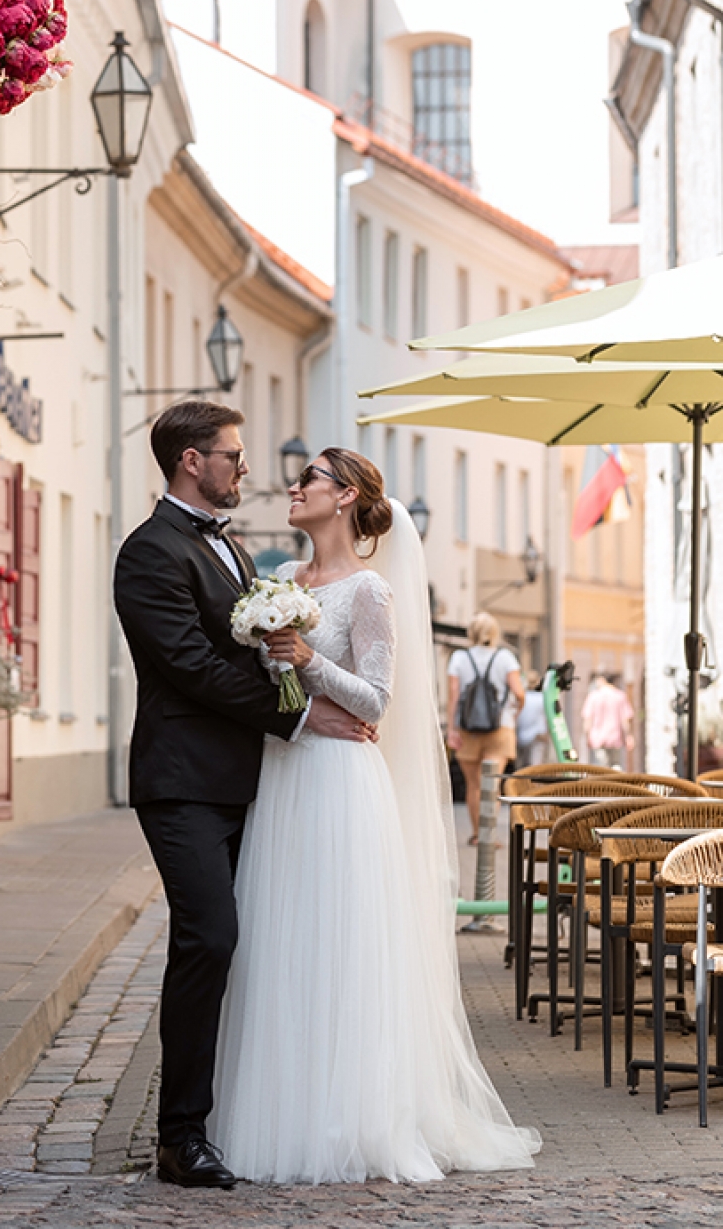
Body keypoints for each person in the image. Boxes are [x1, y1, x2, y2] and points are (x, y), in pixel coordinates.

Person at [211, 450, 540, 1183]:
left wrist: (306, 661)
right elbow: (273, 692)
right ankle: (279, 1113)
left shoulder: (369, 591)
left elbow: (377, 702)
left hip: (340, 782)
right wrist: (283, 674)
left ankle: (351, 1118)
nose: (292, 488)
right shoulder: (283, 584)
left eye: (309, 481)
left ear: (345, 497)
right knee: (281, 940)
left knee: (340, 942)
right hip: (286, 773)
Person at [113, 403, 375, 1191]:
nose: (246, 467)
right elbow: (190, 664)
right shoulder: (149, 553)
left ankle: (232, 1117)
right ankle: (179, 1135)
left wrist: (300, 690)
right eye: (232, 454)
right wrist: (298, 713)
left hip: (250, 783)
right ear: (192, 461)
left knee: (258, 947)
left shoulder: (228, 550)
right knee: (210, 940)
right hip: (183, 784)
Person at [446, 613, 525, 843]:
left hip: (467, 729)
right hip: (500, 729)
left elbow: (453, 696)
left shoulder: (459, 658)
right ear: (494, 633)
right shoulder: (505, 657)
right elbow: (519, 693)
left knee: (474, 785)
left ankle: (476, 834)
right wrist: (514, 712)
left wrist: (452, 729)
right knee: (491, 784)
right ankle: (489, 837)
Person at [582, 671, 635, 768]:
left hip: (597, 738)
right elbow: (625, 719)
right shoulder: (620, 696)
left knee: (601, 767)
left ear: (602, 680)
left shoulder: (593, 696)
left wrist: (587, 735)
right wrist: (629, 736)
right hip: (615, 737)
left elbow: (588, 718)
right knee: (616, 765)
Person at [516, 675, 549, 766]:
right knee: (535, 766)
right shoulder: (542, 698)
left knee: (522, 766)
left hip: (521, 735)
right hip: (538, 736)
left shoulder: (521, 697)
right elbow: (547, 718)